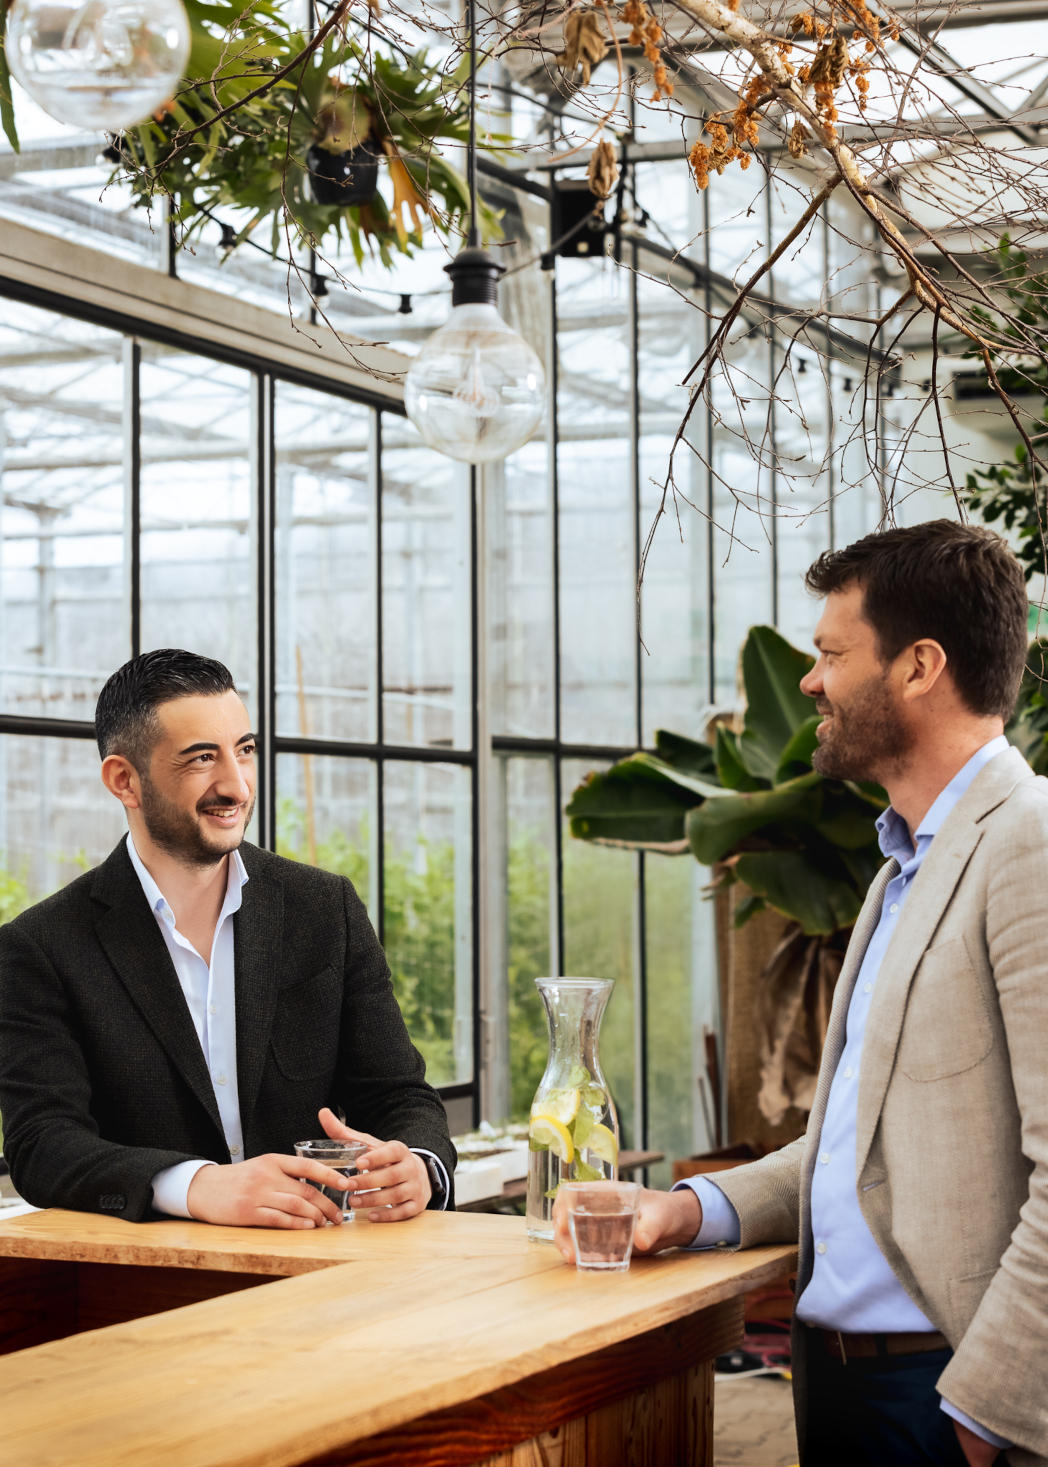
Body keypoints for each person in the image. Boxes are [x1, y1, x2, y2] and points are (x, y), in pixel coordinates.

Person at [555, 521, 1048, 1466]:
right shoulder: (900, 868)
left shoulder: (1023, 841)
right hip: (846, 1388)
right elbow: (850, 1151)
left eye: (830, 654)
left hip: (944, 1397)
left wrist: (982, 1417)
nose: (811, 682)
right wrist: (686, 1209)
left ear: (919, 667)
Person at [0, 649, 455, 1228]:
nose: (236, 785)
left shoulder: (324, 909)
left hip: (328, 1271)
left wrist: (415, 1164)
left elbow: (401, 1097)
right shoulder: (40, 947)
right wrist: (197, 1186)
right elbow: (43, 1146)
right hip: (152, 1285)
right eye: (201, 759)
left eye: (244, 750)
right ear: (124, 780)